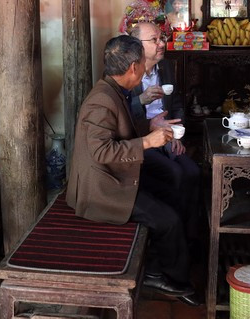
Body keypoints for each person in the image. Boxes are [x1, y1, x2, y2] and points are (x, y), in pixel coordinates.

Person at [67, 35, 200, 306]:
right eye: (142, 62)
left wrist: (150, 127)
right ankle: (169, 280)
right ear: (133, 67)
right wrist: (147, 142)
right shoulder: (101, 100)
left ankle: (163, 261)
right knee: (169, 220)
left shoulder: (115, 89)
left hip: (117, 176)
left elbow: (121, 131)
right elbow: (101, 151)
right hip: (103, 189)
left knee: (173, 192)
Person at [129, 22, 200, 241]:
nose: (161, 44)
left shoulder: (166, 67)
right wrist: (141, 99)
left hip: (168, 134)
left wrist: (177, 133)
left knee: (193, 172)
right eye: (154, 40)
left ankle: (192, 236)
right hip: (143, 138)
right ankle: (170, 233)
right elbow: (120, 111)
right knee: (175, 174)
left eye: (162, 38)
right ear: (137, 45)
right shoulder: (127, 70)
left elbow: (176, 103)